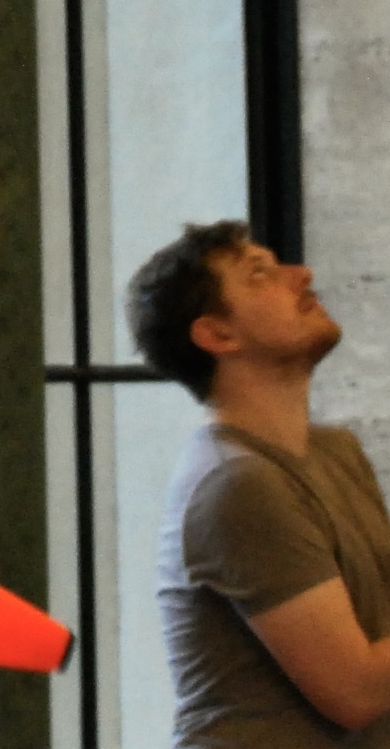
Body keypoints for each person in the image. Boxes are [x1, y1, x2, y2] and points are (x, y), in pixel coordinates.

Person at [128, 221, 390, 746]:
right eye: (260, 275)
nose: (302, 275)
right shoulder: (238, 485)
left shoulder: (335, 451)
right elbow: (356, 692)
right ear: (217, 335)